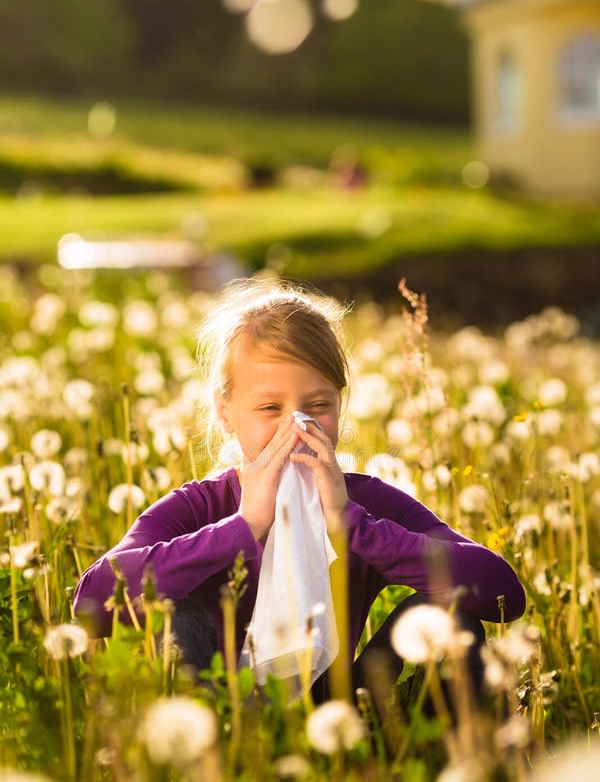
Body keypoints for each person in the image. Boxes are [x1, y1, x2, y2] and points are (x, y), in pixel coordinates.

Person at [74, 279, 525, 705]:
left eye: (317, 406)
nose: (297, 426)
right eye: (271, 407)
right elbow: (91, 602)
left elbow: (503, 594)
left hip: (339, 707)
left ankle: (414, 759)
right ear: (226, 411)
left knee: (454, 618)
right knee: (175, 616)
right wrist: (243, 527)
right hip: (221, 711)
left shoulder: (363, 504)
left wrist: (351, 526)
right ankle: (214, 768)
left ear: (340, 406)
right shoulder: (200, 506)